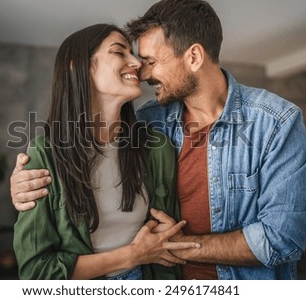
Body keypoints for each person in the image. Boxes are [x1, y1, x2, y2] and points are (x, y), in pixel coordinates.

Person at [10, 0, 306, 280]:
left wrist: (179, 244)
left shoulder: (275, 123)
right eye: (132, 57)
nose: (142, 72)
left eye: (151, 61)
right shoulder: (150, 121)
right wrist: (24, 187)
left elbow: (282, 239)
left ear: (193, 57)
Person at [12, 23, 200, 280]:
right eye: (118, 52)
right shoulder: (44, 153)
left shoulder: (156, 148)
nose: (136, 62)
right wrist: (132, 255)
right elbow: (36, 273)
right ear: (76, 66)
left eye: (132, 53)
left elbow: (165, 254)